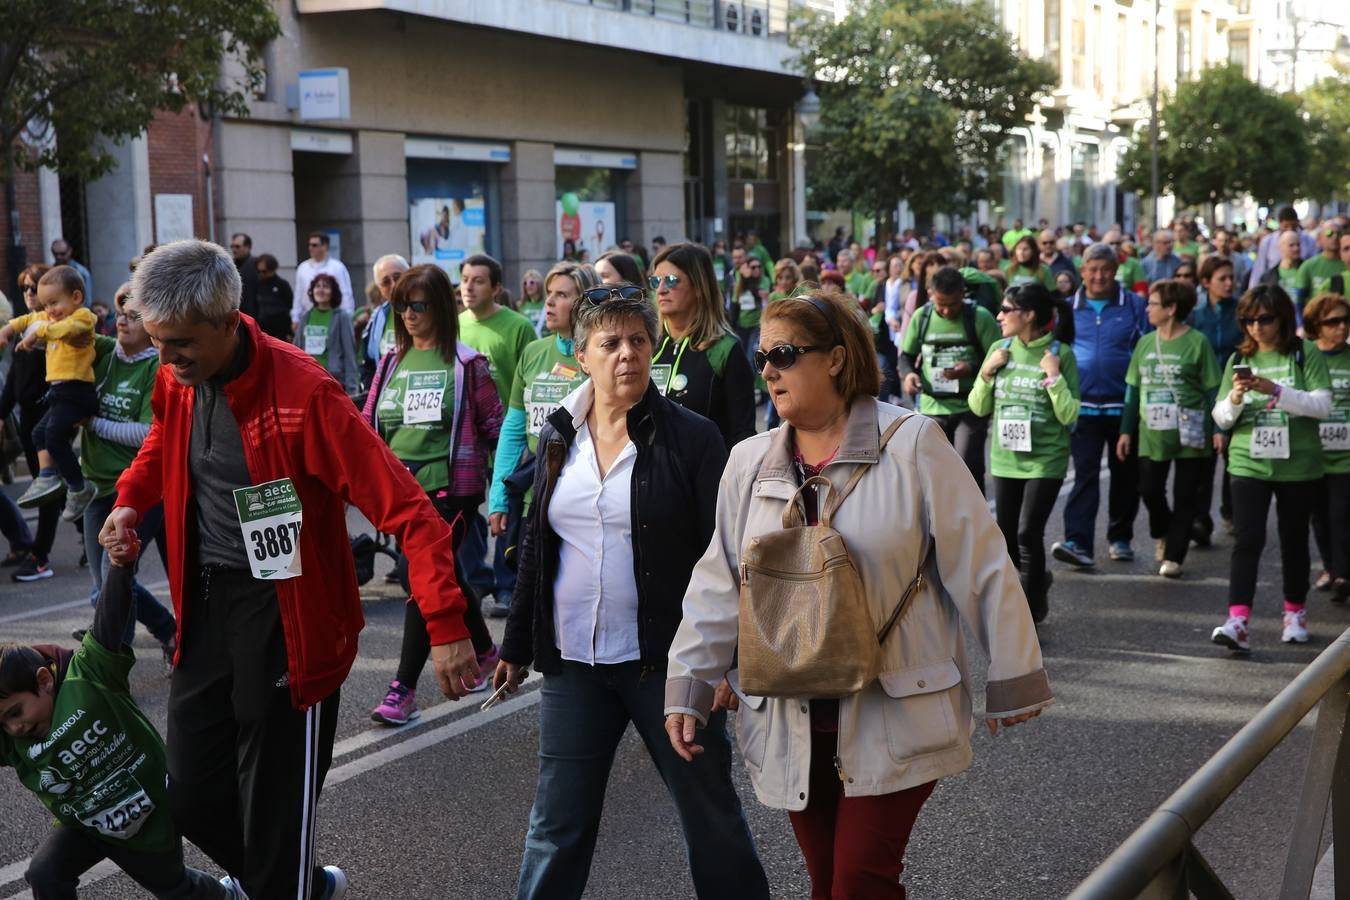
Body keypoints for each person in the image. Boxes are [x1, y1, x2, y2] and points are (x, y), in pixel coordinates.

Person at [98, 240, 480, 899]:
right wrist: (131, 499)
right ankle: (297, 884)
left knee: (273, 816)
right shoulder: (176, 376)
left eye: (181, 343)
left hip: (288, 619)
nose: (166, 359)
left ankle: (287, 883)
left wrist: (446, 624)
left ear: (226, 321)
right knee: (189, 796)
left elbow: (410, 512)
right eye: (157, 342)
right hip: (207, 601)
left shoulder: (307, 393)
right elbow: (165, 438)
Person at [665, 289, 1052, 899]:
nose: (767, 369)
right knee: (829, 881)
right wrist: (689, 684)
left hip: (892, 704)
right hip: (790, 715)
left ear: (838, 359)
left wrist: (1015, 673)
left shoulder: (914, 444)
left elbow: (982, 562)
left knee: (860, 881)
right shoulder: (748, 462)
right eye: (761, 354)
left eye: (785, 354)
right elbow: (719, 579)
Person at [493, 290, 770, 900]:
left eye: (639, 341)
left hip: (670, 666)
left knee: (710, 815)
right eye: (610, 344)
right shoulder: (559, 429)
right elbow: (539, 542)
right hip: (574, 666)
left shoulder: (692, 438)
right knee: (555, 827)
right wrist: (516, 644)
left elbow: (725, 554)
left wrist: (728, 659)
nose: (627, 355)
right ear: (582, 356)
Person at [2, 538, 239, 900]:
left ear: (45, 681)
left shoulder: (89, 677)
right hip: (87, 822)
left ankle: (228, 895)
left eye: (16, 712)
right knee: (46, 873)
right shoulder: (12, 738)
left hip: (148, 808)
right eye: (4, 723)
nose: (16, 727)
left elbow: (109, 622)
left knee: (174, 888)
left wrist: (120, 565)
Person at [363, 264, 504, 723]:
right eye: (400, 305)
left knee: (417, 576)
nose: (407, 314)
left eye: (417, 305)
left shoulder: (468, 365)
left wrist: (502, 492)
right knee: (442, 577)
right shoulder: (390, 361)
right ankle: (484, 650)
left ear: (440, 308)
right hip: (399, 493)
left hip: (450, 493)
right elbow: (365, 427)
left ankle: (402, 689)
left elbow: (498, 429)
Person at [1210, 284, 1331, 652]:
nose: (1256, 327)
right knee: (1247, 540)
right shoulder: (1238, 358)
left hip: (1298, 464)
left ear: (1281, 317)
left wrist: (1275, 390)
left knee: (1294, 540)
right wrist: (1233, 398)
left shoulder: (1304, 353)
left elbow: (1323, 406)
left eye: (1265, 319)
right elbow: (1221, 417)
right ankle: (1237, 621)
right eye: (1248, 320)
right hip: (1249, 461)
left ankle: (1295, 613)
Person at [76, 284, 177, 659]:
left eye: (134, 315)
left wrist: (93, 423)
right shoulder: (104, 353)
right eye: (120, 313)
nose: (123, 320)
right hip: (94, 488)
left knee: (113, 580)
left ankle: (114, 658)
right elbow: (72, 328)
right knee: (101, 585)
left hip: (137, 490)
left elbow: (148, 434)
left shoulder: (158, 366)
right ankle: (168, 629)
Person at [968, 283, 1080, 622]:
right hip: (1006, 459)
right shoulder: (999, 349)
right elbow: (977, 406)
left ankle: (1030, 613)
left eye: (1006, 309)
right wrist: (987, 373)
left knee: (1028, 532)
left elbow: (1070, 415)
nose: (999, 316)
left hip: (1045, 460)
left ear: (1029, 315)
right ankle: (1037, 580)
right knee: (1007, 536)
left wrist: (1054, 377)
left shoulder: (1060, 353)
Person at [1051, 243, 1150, 567]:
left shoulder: (1133, 304)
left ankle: (1120, 538)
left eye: (1105, 269)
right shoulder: (1067, 307)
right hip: (1083, 407)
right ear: (1082, 272)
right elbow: (1055, 349)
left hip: (1123, 406)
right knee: (1084, 474)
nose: (1099, 276)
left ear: (1115, 270)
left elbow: (1146, 348)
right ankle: (1077, 541)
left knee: (1125, 476)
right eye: (1092, 269)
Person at [1116, 279, 1222, 578]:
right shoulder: (1145, 343)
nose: (1147, 308)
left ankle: (1174, 556)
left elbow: (1213, 389)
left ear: (1172, 308)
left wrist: (1218, 429)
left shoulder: (1197, 342)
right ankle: (1167, 530)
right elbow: (1132, 391)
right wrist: (1126, 431)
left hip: (1191, 431)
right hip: (1152, 434)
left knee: (1185, 495)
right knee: (1149, 490)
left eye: (1153, 303)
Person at [486, 261, 598, 540]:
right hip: (533, 496)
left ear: (585, 301)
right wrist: (498, 497)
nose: (549, 301)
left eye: (562, 295)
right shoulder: (534, 351)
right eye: (549, 292)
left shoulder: (603, 353)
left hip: (584, 499)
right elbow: (514, 429)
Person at [457, 254, 536, 618]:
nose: (469, 287)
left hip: (508, 434)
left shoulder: (518, 326)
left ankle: (506, 585)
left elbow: (531, 378)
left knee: (505, 507)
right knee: (466, 510)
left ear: (496, 288)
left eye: (478, 280)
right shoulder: (454, 326)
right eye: (465, 279)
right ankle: (476, 575)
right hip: (466, 439)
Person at [0, 266, 101, 521]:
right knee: (38, 434)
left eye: (53, 303)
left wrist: (36, 335)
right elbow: (27, 320)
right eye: (45, 305)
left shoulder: (83, 318)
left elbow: (62, 330)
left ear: (76, 297)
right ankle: (48, 478)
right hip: (59, 394)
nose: (48, 311)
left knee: (55, 437)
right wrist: (8, 330)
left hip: (77, 393)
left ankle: (79, 487)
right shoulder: (50, 319)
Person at [899, 266, 1001, 493]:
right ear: (931, 294)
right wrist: (909, 375)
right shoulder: (922, 317)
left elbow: (997, 358)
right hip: (932, 406)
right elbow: (906, 357)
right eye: (940, 305)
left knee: (968, 466)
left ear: (963, 294)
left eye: (953, 304)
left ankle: (974, 524)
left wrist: (971, 368)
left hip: (970, 406)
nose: (946, 311)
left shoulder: (979, 317)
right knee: (933, 471)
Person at [649, 242, 757, 448]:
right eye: (656, 281)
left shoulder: (725, 350)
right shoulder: (647, 346)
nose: (661, 290)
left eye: (671, 281)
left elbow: (743, 435)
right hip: (654, 477)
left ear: (699, 287)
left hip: (709, 476)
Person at [0, 265, 61, 582]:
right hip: (28, 419)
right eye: (24, 287)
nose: (28, 293)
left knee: (46, 486)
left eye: (34, 287)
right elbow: (13, 380)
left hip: (47, 418)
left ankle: (39, 556)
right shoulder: (26, 328)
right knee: (51, 484)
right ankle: (87, 525)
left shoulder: (57, 327)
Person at [1190, 255, 1243, 544]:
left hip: (1237, 393)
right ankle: (1200, 519)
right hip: (1205, 395)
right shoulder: (1197, 314)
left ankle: (1231, 511)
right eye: (1222, 278)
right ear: (1206, 282)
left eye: (1231, 277)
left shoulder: (1241, 312)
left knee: (1234, 456)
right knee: (1205, 459)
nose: (1229, 283)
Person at [1303, 293, 1350, 600]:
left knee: (1342, 514)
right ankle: (1331, 568)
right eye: (1333, 321)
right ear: (1316, 325)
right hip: (1312, 452)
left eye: (1346, 321)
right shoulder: (1306, 356)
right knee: (1319, 515)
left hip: (1346, 453)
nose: (1342, 327)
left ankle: (1343, 574)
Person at [294, 273, 358, 394]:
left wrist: (352, 388)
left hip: (333, 381)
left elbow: (350, 354)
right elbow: (296, 350)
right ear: (312, 291)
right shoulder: (306, 317)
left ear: (333, 292)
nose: (321, 289)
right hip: (308, 380)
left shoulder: (342, 317)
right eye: (317, 286)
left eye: (326, 286)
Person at [359, 254, 409, 390]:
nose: (394, 285)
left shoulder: (426, 311)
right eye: (386, 282)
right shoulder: (378, 317)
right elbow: (368, 363)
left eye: (398, 277)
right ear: (379, 289)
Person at [290, 232, 355, 329]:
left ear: (325, 246)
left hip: (333, 317)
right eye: (309, 245)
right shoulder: (303, 268)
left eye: (314, 245)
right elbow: (299, 294)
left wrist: (348, 317)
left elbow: (345, 294)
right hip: (309, 317)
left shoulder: (337, 267)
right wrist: (295, 318)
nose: (310, 248)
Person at [1248, 206, 1319, 289]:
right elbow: (1259, 269)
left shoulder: (1309, 241)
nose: (1290, 229)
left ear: (1298, 223)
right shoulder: (1267, 242)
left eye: (1293, 226)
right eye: (1286, 226)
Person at [1295, 222, 1345, 307]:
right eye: (1329, 233)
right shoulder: (1308, 266)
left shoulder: (1347, 263)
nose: (1335, 237)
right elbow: (1299, 302)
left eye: (1339, 234)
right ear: (1319, 239)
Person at [732, 256, 769, 363]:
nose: (756, 269)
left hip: (756, 325)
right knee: (740, 357)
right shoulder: (741, 284)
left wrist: (748, 278)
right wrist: (732, 326)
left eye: (759, 266)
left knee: (750, 356)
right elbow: (735, 305)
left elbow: (758, 295)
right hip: (742, 325)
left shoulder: (764, 280)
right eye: (753, 267)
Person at [251, 254, 294, 342]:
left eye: (264, 271)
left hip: (280, 331)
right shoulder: (257, 285)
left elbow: (290, 305)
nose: (261, 274)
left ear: (272, 270)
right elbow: (254, 306)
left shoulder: (282, 284)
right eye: (258, 271)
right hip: (263, 330)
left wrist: (288, 331)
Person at [50, 239, 92, 303]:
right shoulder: (49, 272)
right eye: (56, 254)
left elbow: (87, 299)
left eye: (62, 254)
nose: (59, 257)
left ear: (69, 251)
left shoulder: (81, 272)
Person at [229, 233, 259, 320]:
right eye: (232, 246)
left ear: (247, 247)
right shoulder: (230, 266)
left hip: (252, 316)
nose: (234, 249)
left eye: (237, 246)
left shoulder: (256, 265)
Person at [518, 269, 548, 336]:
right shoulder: (521, 306)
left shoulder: (548, 304)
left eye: (531, 282)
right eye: (525, 283)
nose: (528, 285)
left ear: (539, 284)